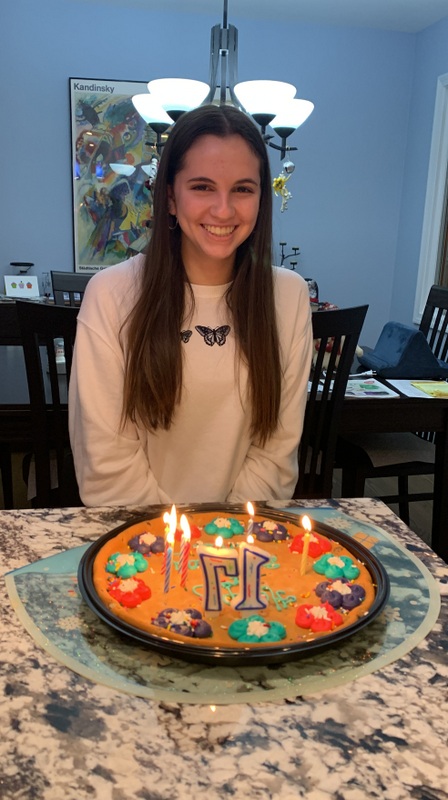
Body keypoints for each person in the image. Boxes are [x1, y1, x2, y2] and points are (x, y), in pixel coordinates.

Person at [69, 104, 313, 506]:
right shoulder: (111, 294)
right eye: (202, 187)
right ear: (170, 197)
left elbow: (275, 453)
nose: (223, 209)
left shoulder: (288, 296)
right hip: (139, 534)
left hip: (243, 535)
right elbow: (106, 465)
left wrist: (224, 532)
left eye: (243, 189)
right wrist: (179, 537)